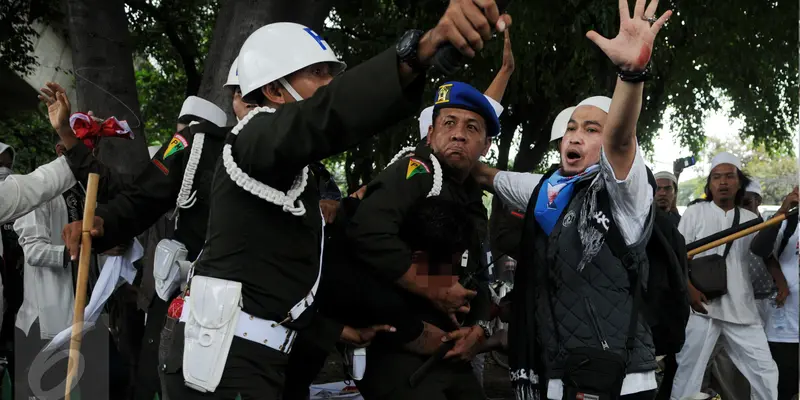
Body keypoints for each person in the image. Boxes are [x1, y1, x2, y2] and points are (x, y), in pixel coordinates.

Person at [162, 2, 511, 397]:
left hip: (261, 360)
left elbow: (291, 278)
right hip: (223, 362)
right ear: (276, 90)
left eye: (332, 74)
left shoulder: (295, 174)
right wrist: (422, 50)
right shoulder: (253, 139)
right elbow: (330, 113)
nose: (330, 83)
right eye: (318, 73)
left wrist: (338, 329)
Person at [470, 2, 673, 398]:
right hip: (561, 373)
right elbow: (478, 169)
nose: (576, 136)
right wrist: (460, 126)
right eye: (572, 128)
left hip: (620, 379)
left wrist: (631, 75)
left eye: (592, 128)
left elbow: (620, 141)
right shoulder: (548, 188)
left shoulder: (627, 190)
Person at [55, 86, 230, 400]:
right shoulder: (167, 164)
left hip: (217, 308)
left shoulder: (237, 173)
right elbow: (128, 193)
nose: (174, 148)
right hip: (158, 303)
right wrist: (69, 137)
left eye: (185, 139)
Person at [344, 81, 500, 399]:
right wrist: (434, 286)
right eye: (449, 123)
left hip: (452, 354)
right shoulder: (419, 171)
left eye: (472, 127)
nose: (459, 134)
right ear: (430, 134)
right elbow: (368, 231)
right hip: (402, 352)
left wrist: (480, 329)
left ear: (485, 146)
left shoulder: (471, 196)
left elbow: (479, 275)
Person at [670, 152, 778, 400]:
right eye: (717, 177)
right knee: (688, 373)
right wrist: (690, 291)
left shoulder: (751, 219)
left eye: (730, 176)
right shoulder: (695, 213)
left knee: (766, 373)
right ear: (710, 184)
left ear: (739, 182)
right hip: (703, 307)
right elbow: (677, 257)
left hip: (742, 309)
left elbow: (763, 251)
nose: (723, 182)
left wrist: (781, 213)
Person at [12, 140, 111, 400]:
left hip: (88, 313)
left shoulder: (87, 192)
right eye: (85, 150)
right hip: (48, 319)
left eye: (94, 152)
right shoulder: (39, 192)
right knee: (45, 393)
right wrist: (75, 252)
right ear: (60, 151)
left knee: (105, 386)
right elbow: (32, 251)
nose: (91, 157)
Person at [750, 187, 799, 400]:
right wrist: (782, 211)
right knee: (782, 389)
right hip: (786, 324)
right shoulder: (788, 220)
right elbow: (760, 249)